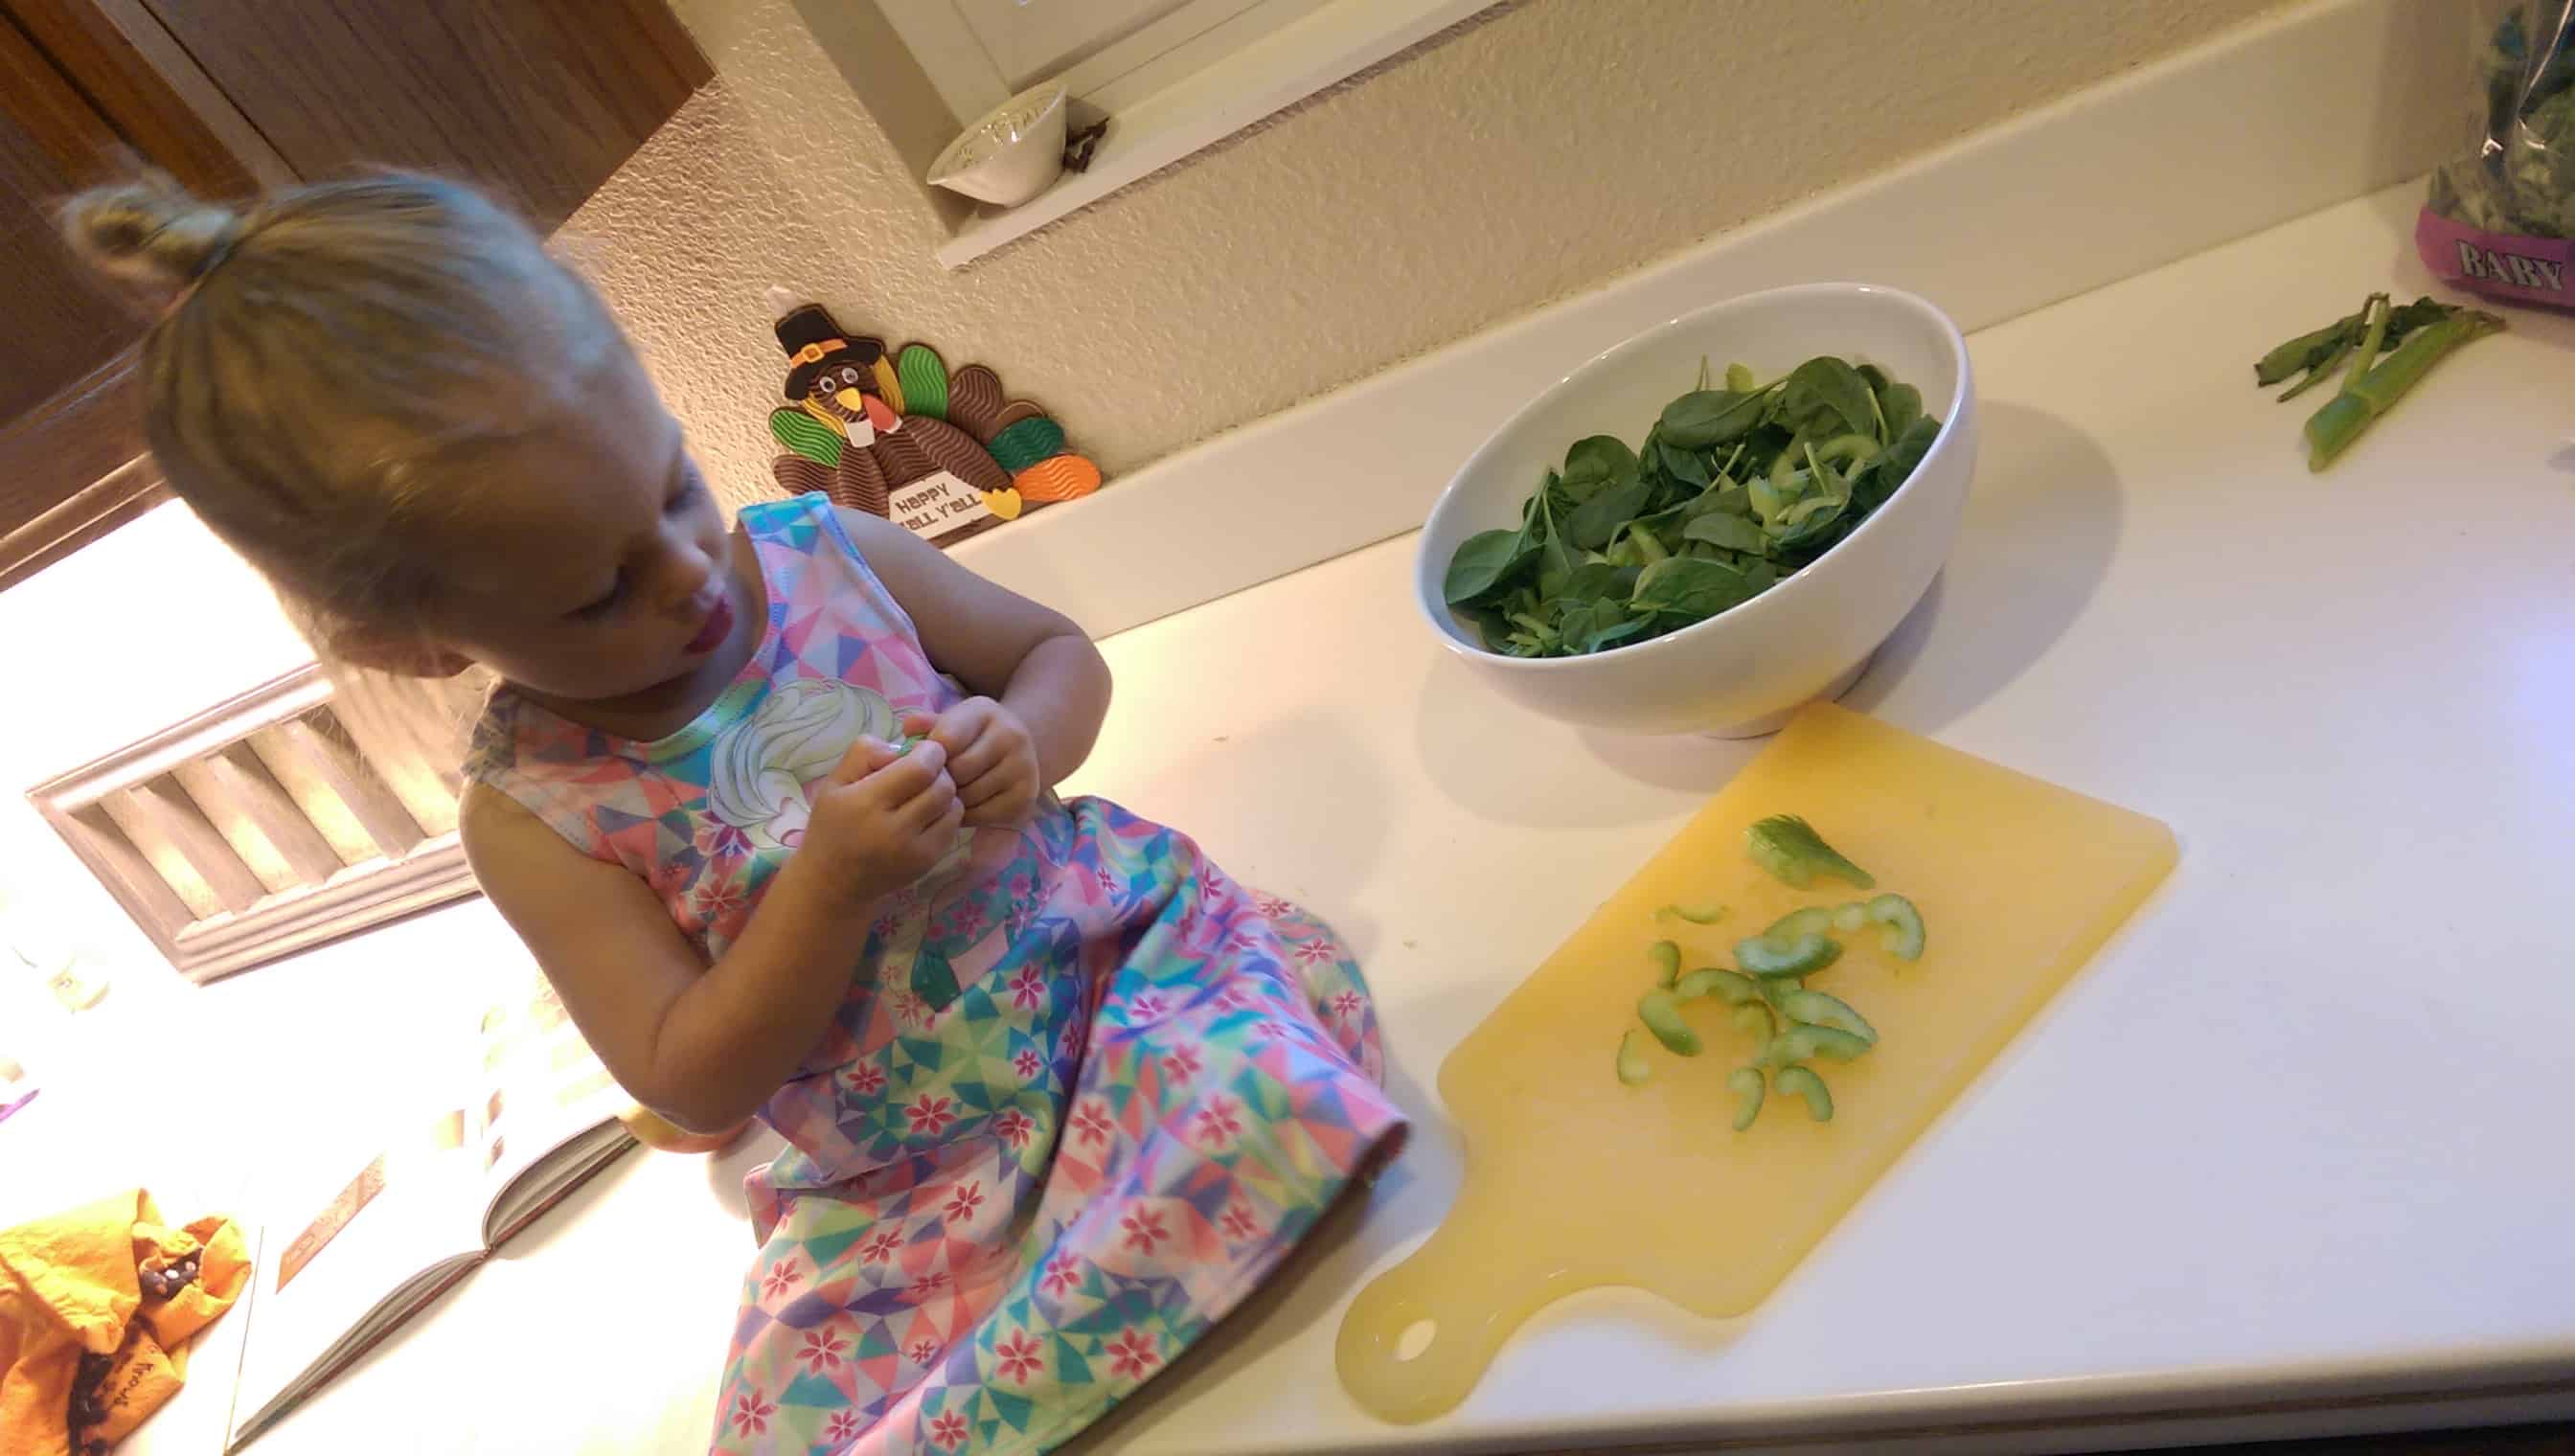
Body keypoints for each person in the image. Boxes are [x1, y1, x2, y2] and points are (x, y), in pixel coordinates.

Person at [63, 171, 1406, 1455]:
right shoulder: (534, 817)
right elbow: (688, 1077)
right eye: (599, 593)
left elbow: (1057, 655)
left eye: (674, 488)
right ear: (412, 644)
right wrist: (828, 887)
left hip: (1116, 968)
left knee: (1256, 1106)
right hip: (915, 1164)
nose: (690, 575)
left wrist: (1024, 742)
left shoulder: (829, 552)